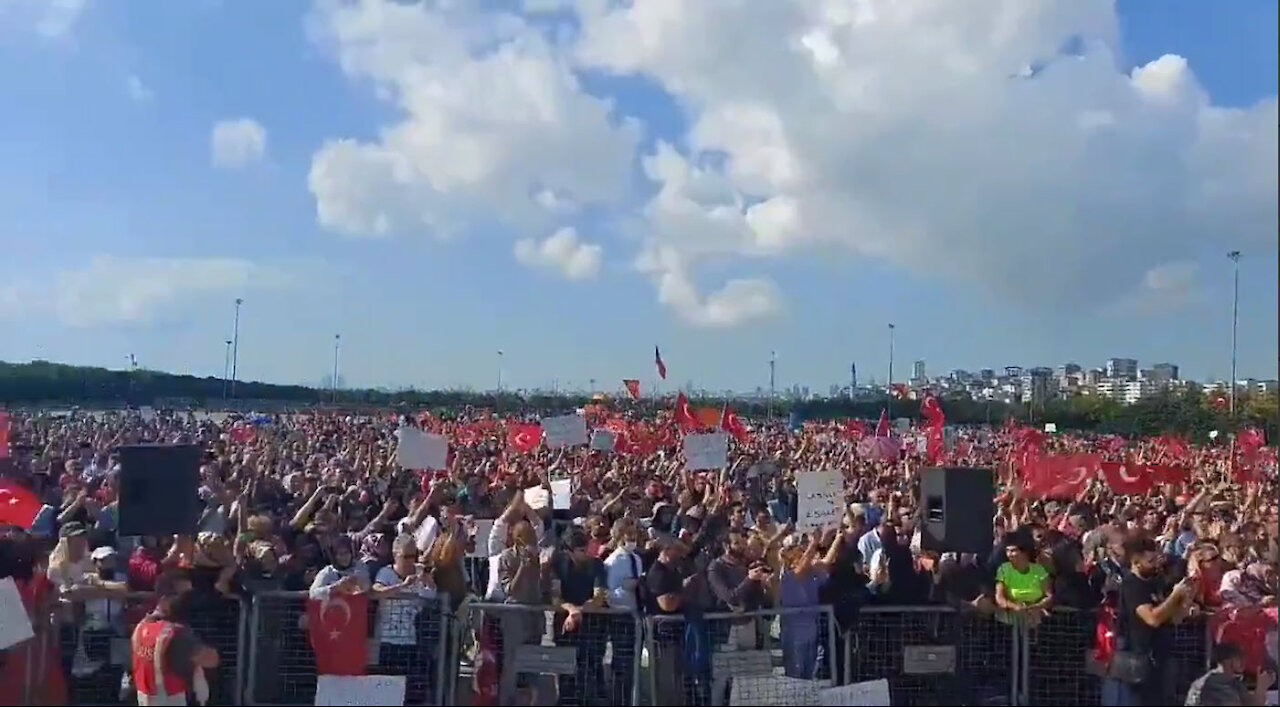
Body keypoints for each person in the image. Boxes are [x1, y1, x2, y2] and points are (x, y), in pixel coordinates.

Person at [1112, 535, 1197, 706]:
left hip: (1162, 656)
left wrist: (1185, 599)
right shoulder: (1132, 584)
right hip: (1140, 659)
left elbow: (1173, 617)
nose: (1155, 565)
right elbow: (1152, 618)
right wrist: (1174, 595)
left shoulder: (1154, 582)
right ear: (1136, 562)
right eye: (1150, 561)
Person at [129, 570, 219, 706]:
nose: (189, 601)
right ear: (164, 599)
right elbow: (211, 659)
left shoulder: (142, 626)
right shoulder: (176, 634)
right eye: (184, 596)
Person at [1185, 642, 1275, 706]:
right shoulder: (1214, 682)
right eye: (1239, 658)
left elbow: (1252, 704)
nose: (1244, 662)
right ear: (1226, 661)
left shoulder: (1234, 682)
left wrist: (1261, 688)